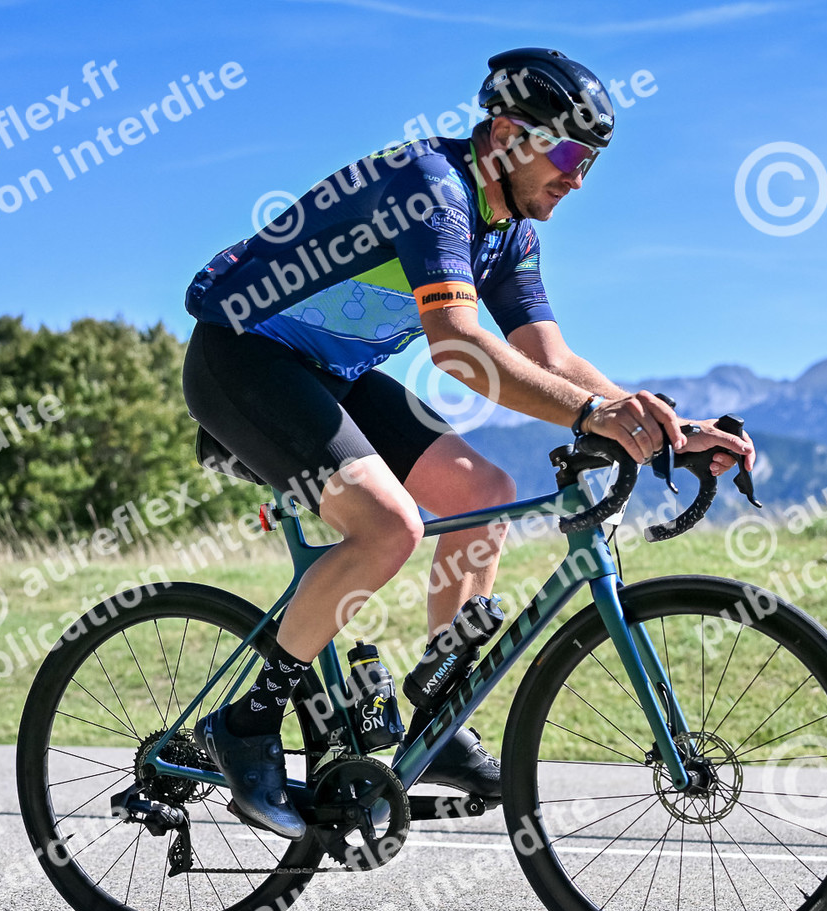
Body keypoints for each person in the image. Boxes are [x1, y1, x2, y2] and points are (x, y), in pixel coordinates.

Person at [181, 47, 755, 838]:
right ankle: (245, 725)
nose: (578, 180)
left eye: (589, 163)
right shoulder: (432, 188)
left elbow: (552, 360)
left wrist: (665, 429)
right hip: (242, 357)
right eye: (568, 156)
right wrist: (593, 417)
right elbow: (455, 345)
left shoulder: (508, 233)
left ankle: (438, 720)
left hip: (331, 373)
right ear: (508, 136)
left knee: (484, 496)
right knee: (389, 526)